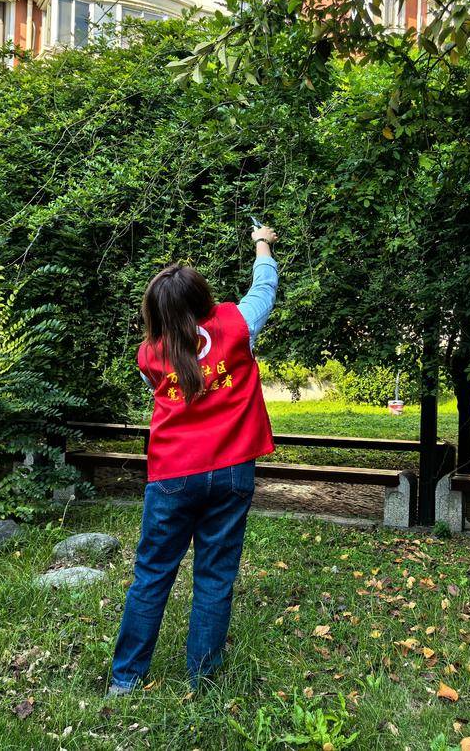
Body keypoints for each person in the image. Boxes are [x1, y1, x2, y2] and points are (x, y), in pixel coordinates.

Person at [108, 225, 280, 695]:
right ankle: (203, 678)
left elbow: (161, 388)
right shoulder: (236, 327)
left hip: (172, 477)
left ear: (156, 313)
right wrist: (262, 241)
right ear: (203, 298)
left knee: (152, 575)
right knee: (215, 574)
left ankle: (125, 680)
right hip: (231, 473)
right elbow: (264, 286)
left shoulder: (150, 354)